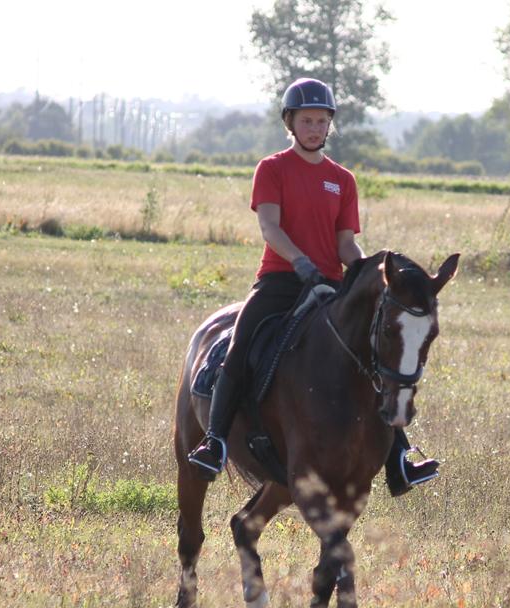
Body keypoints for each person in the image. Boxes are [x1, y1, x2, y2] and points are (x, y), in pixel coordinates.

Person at [187, 77, 438, 496]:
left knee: (376, 357)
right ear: (290, 122)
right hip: (281, 281)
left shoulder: (343, 179)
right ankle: (214, 441)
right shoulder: (272, 169)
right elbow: (270, 226)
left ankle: (399, 458)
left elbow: (344, 243)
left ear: (330, 125)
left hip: (331, 285)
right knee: (240, 345)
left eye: (322, 121)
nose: (315, 128)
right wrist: (300, 262)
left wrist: (367, 274)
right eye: (306, 120)